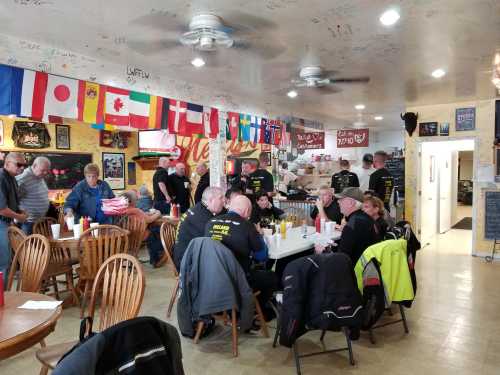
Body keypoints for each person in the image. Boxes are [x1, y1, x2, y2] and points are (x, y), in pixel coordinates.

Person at [205, 195, 278, 320]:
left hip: (210, 277)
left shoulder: (211, 222)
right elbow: (262, 257)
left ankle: (230, 308)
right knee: (271, 277)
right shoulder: (247, 226)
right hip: (236, 280)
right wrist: (259, 235)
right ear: (246, 211)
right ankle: (253, 310)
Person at [172, 187, 225, 269]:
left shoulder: (200, 208)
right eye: (221, 198)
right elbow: (216, 240)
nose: (223, 201)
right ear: (211, 200)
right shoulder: (202, 217)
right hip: (186, 263)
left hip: (186, 254)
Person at [0, 152, 28, 286]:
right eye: (19, 164)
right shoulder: (1, 177)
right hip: (1, 223)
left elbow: (12, 203)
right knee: (3, 263)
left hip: (6, 223)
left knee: (7, 262)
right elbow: (1, 209)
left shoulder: (12, 178)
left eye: (24, 165)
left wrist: (19, 211)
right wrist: (19, 216)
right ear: (7, 163)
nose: (22, 167)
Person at [120, 191, 166, 267]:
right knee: (158, 231)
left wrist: (146, 214)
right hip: (139, 235)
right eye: (137, 200)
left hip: (128, 236)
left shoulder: (122, 211)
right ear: (132, 201)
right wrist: (158, 213)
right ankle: (155, 259)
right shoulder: (136, 210)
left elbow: (141, 217)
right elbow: (149, 220)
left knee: (153, 230)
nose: (138, 201)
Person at [334, 187, 378, 265]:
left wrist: (324, 251)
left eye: (341, 199)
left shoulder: (352, 225)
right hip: (369, 266)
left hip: (356, 271)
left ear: (351, 202)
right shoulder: (367, 218)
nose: (338, 201)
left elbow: (341, 259)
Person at [16, 156, 51, 234]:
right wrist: (17, 217)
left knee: (38, 245)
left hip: (38, 220)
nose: (45, 173)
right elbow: (12, 198)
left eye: (47, 171)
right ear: (34, 166)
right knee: (29, 245)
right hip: (28, 222)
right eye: (43, 170)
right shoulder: (24, 177)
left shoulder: (38, 175)